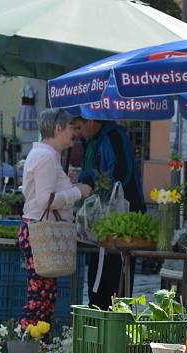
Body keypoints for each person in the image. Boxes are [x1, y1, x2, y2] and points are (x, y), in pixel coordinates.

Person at [18, 108, 92, 327]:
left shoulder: (45, 155)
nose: (74, 132)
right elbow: (45, 201)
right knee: (40, 298)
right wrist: (78, 192)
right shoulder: (46, 157)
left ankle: (35, 346)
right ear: (58, 128)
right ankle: (24, 345)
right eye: (70, 127)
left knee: (45, 296)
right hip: (41, 232)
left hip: (37, 229)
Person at [71, 116, 145, 308]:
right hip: (102, 218)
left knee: (114, 274)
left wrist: (92, 183)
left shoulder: (114, 137)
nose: (76, 133)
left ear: (92, 122)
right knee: (97, 271)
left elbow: (120, 175)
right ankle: (98, 309)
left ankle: (112, 314)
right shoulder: (93, 141)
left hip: (123, 216)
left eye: (79, 127)